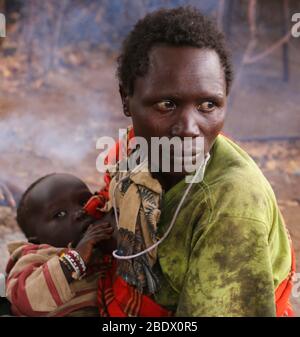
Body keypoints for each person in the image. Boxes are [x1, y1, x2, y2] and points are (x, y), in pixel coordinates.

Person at [87, 7, 295, 317]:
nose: (188, 127)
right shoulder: (133, 151)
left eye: (208, 104)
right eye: (167, 104)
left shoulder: (230, 203)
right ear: (126, 99)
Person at [5, 173, 115, 316]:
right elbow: (25, 298)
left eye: (84, 202)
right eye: (61, 214)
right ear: (36, 240)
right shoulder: (34, 257)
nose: (79, 212)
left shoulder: (100, 243)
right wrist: (75, 259)